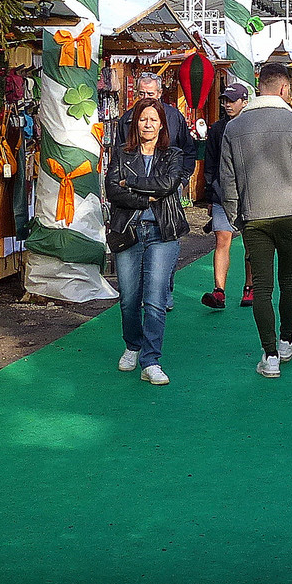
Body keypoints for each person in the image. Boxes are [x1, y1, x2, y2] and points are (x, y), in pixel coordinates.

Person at [220, 62, 292, 378]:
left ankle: (270, 353)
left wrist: (237, 216)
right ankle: (287, 338)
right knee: (290, 280)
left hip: (254, 214)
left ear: (259, 86)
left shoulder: (234, 127)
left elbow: (228, 178)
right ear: (284, 89)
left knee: (262, 285)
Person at [105, 99, 192, 385]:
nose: (148, 124)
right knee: (129, 299)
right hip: (128, 231)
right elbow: (112, 191)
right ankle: (132, 344)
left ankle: (151, 359)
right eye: (143, 119)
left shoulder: (173, 154)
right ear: (135, 123)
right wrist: (146, 196)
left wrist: (130, 184)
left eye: (154, 120)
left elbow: (168, 185)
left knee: (155, 299)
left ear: (162, 125)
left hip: (162, 232)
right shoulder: (120, 154)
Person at [198, 83, 253, 309]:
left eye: (231, 100)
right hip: (222, 193)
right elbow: (209, 165)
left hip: (250, 193)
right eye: (224, 100)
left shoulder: (252, 127)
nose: (226, 104)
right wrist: (211, 195)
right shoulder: (217, 129)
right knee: (222, 239)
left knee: (251, 241)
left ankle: (250, 287)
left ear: (244, 102)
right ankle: (219, 290)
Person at [111, 70, 198, 182]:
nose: (146, 98)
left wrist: (182, 181)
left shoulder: (174, 117)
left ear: (159, 93)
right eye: (142, 93)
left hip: (167, 183)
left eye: (150, 94)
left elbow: (188, 151)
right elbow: (118, 154)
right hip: (133, 185)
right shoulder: (127, 119)